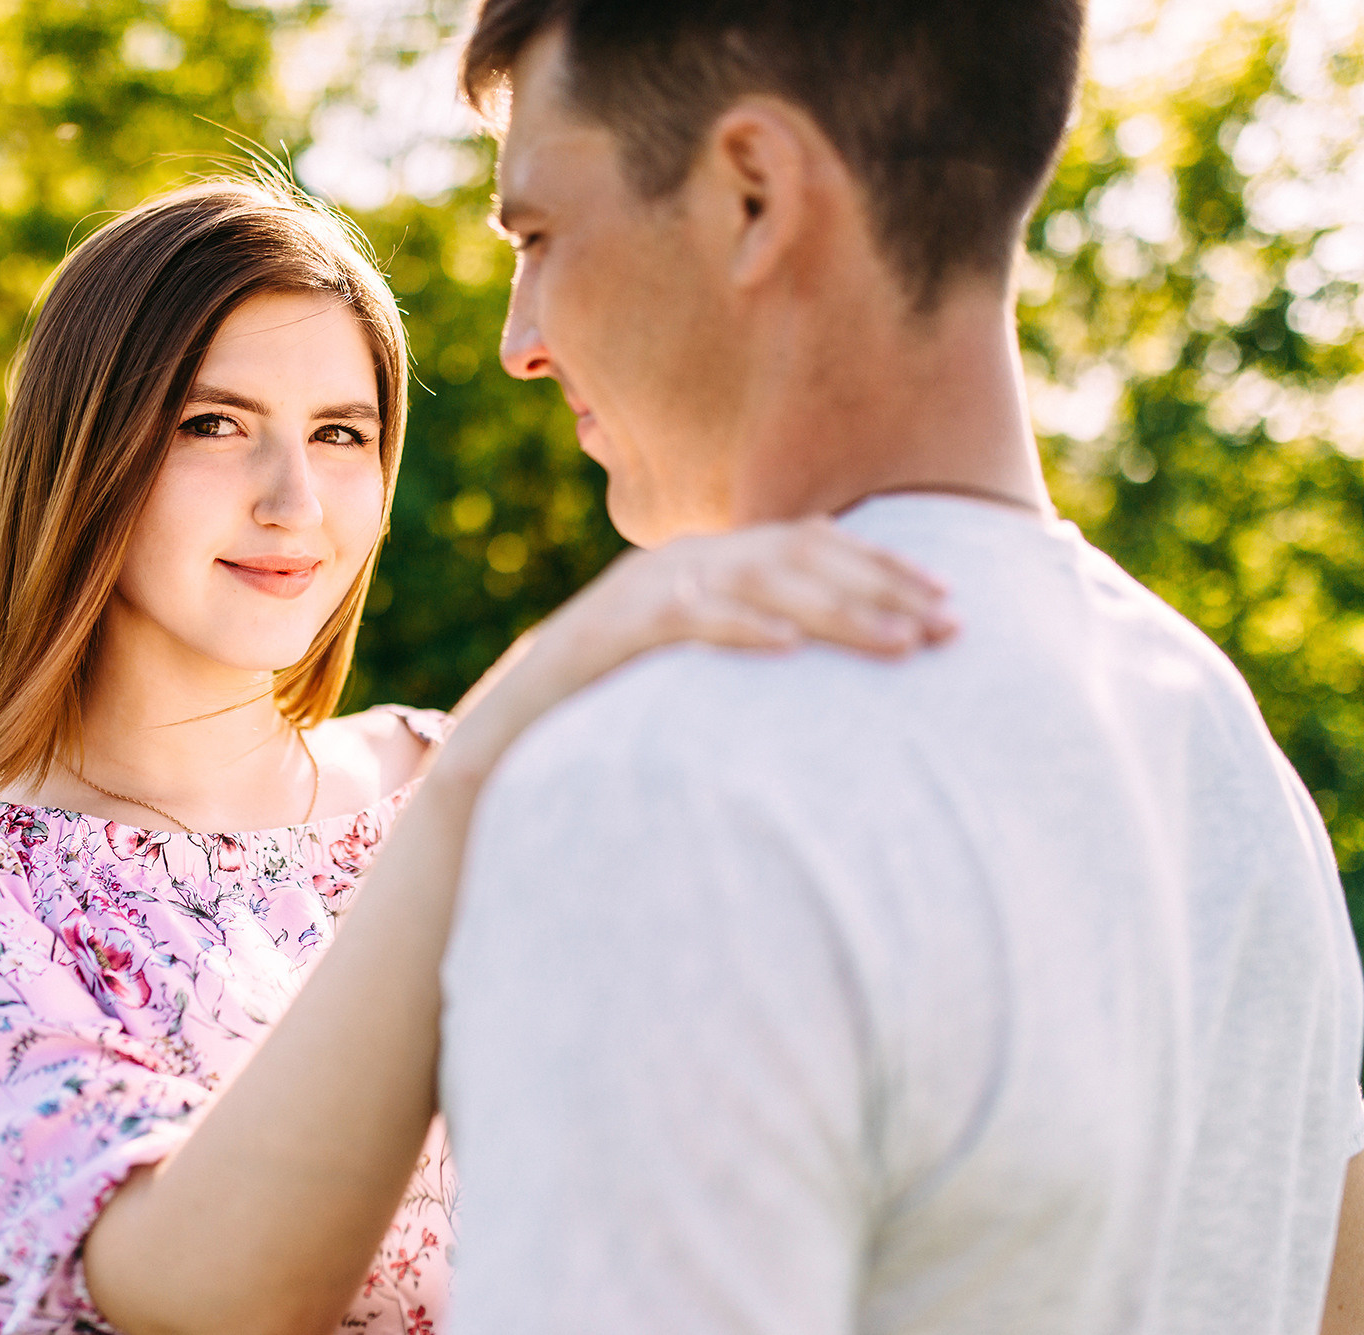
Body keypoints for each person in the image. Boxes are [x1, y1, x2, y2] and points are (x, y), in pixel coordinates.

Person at [0, 177, 955, 1335]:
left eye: (339, 435)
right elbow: (192, 1289)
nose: (293, 500)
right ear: (87, 450)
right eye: (212, 423)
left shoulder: (489, 781)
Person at [433, 3, 1364, 1334]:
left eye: (537, 235)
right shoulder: (1231, 760)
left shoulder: (668, 782)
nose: (521, 336)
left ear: (753, 192)